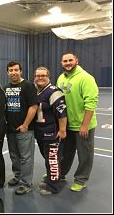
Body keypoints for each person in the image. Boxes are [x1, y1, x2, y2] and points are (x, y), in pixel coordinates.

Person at [56, 53, 98, 192]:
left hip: (82, 126)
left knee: (84, 155)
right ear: (61, 63)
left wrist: (84, 125)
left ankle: (81, 179)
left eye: (70, 60)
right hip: (67, 125)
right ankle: (60, 174)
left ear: (76, 61)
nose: (68, 63)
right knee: (65, 153)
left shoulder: (86, 78)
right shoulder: (61, 78)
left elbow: (91, 103)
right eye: (65, 61)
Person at [4, 61, 39, 195]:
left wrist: (25, 125)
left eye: (16, 70)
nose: (13, 72)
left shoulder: (28, 86)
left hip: (25, 129)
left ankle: (26, 183)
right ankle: (17, 176)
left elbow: (33, 106)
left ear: (21, 71)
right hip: (11, 130)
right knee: (14, 156)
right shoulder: (6, 87)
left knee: (26, 157)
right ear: (7, 72)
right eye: (11, 70)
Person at [33, 67, 67, 195]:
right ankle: (50, 179)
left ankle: (53, 186)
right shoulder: (37, 91)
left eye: (43, 75)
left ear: (49, 77)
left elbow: (62, 113)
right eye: (38, 76)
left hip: (52, 133)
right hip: (41, 133)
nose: (40, 78)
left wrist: (62, 130)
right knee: (48, 158)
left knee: (52, 159)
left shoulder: (54, 92)